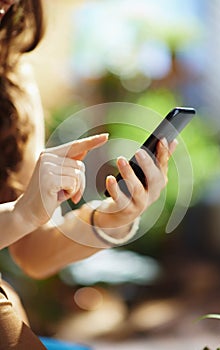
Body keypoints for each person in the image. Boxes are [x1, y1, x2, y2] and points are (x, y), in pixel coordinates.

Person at [0, 0, 177, 349]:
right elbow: (20, 220)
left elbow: (32, 252)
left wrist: (112, 218)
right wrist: (21, 213)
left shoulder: (13, 82)